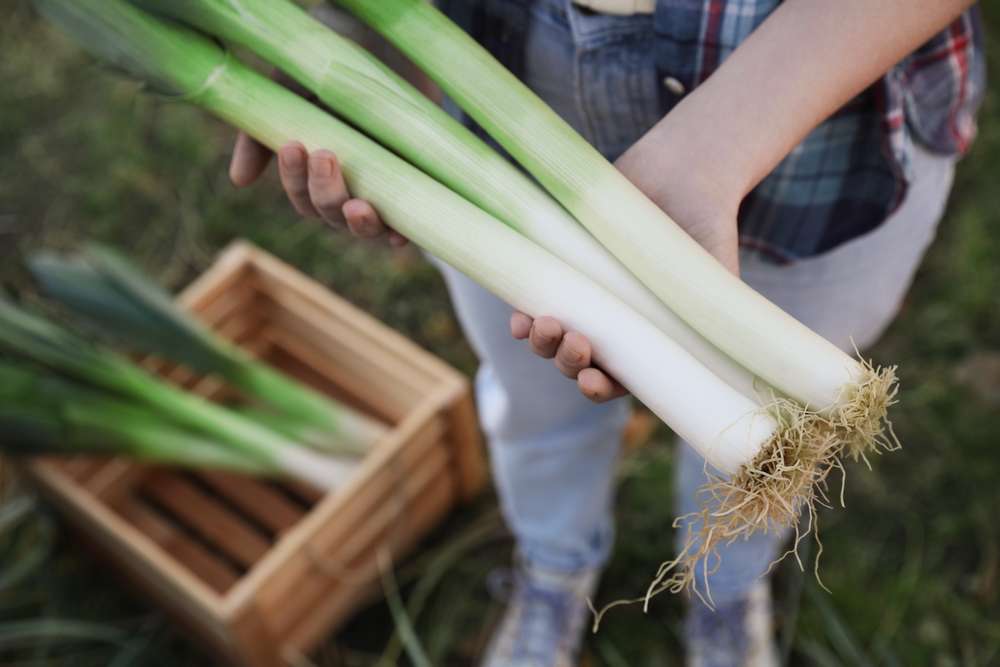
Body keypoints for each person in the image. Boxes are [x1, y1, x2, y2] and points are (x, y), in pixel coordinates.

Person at [228, 1, 985, 665]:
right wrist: (327, 34)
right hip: (500, 103)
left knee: (775, 445)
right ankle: (554, 566)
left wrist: (713, 147)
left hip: (829, 113)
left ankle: (726, 589)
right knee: (537, 402)